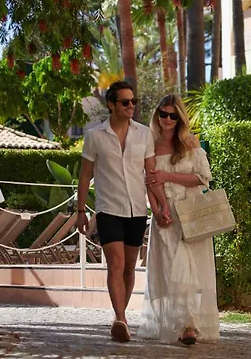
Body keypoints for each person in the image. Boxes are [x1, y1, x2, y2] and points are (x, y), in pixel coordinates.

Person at [76, 81, 171, 343]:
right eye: (125, 102)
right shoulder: (95, 136)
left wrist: (160, 206)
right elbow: (84, 176)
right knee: (116, 263)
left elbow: (151, 175)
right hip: (108, 209)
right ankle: (120, 318)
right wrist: (80, 210)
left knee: (129, 267)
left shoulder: (144, 134)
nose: (131, 106)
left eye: (133, 102)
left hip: (137, 209)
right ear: (111, 104)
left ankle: (121, 316)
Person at [138, 94, 220, 346]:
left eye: (173, 115)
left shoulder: (190, 142)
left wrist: (168, 176)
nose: (167, 119)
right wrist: (156, 210)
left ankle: (189, 325)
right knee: (169, 268)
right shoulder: (151, 145)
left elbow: (202, 178)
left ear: (180, 118)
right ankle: (175, 322)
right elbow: (149, 182)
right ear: (157, 116)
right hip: (166, 214)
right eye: (163, 114)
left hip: (190, 212)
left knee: (189, 268)